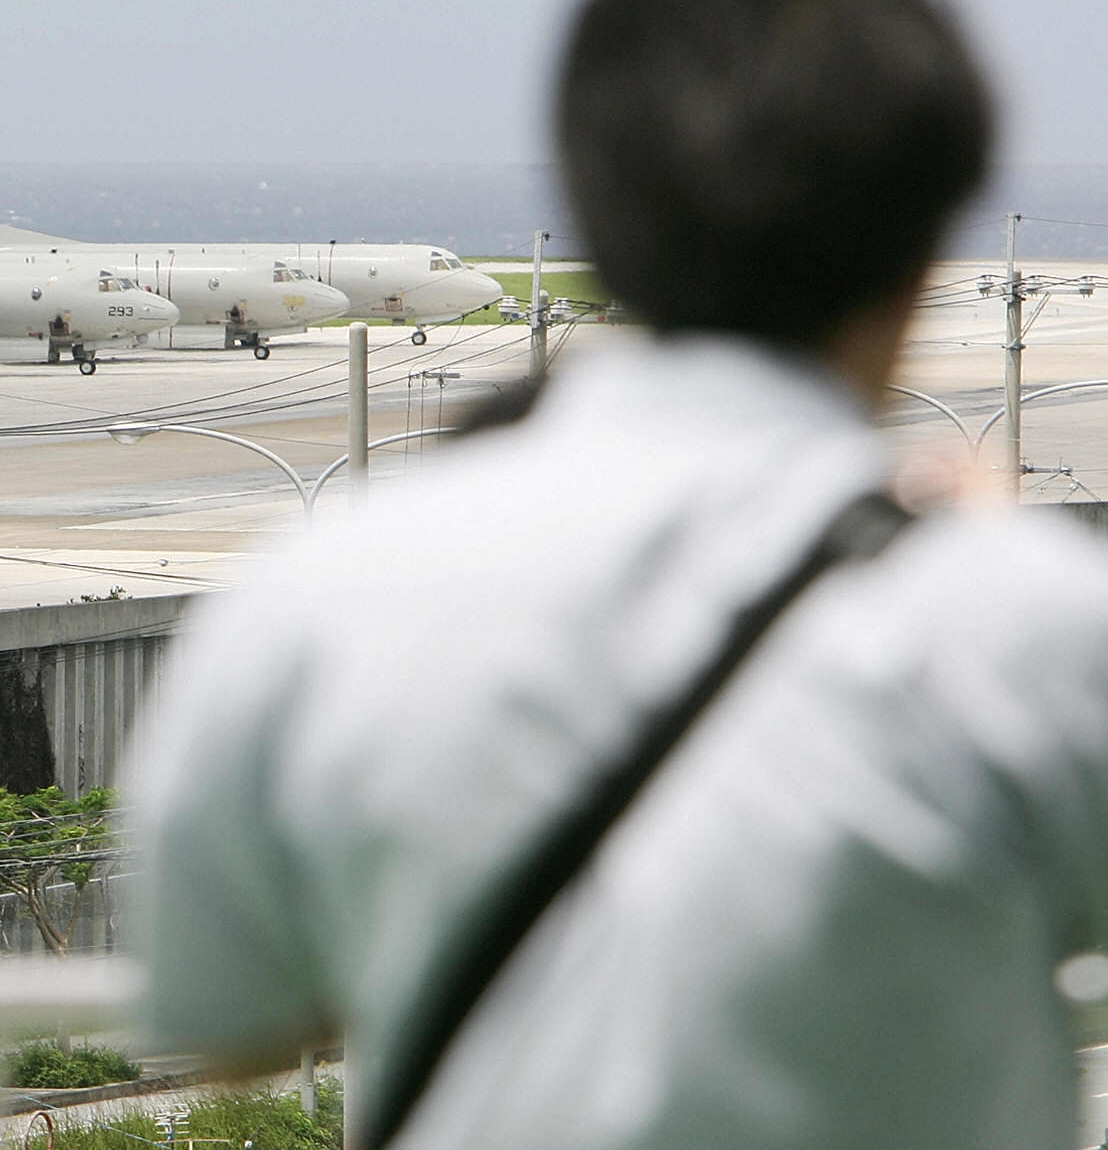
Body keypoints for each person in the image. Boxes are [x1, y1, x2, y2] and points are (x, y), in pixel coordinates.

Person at [131, 3, 1108, 1148]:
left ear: (596, 203)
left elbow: (224, 1026)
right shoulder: (1018, 613)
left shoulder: (317, 590)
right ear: (916, 254)